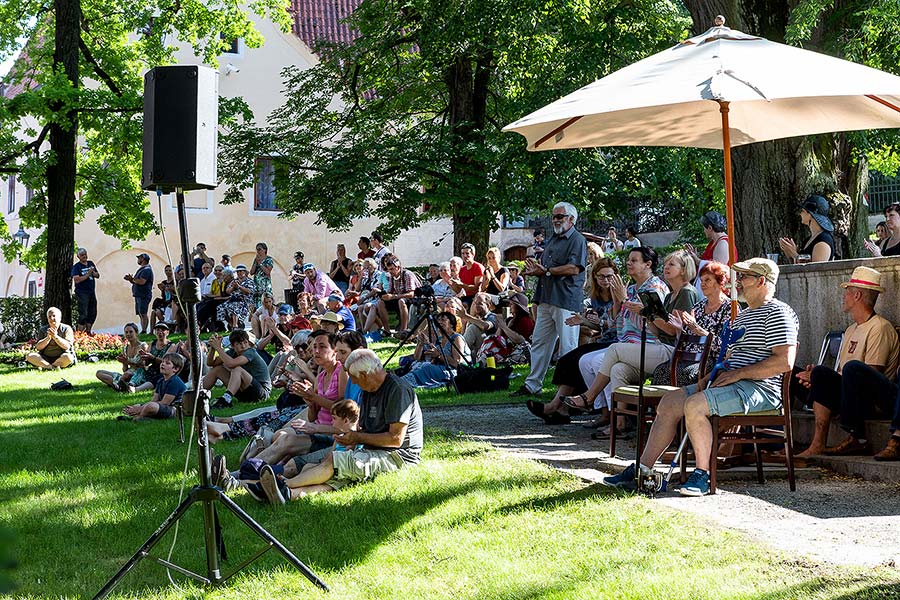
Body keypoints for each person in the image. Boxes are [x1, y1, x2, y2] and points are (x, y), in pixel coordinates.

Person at [602, 257, 799, 497]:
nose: (738, 283)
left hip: (760, 390)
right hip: (732, 382)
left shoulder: (779, 312)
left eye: (744, 278)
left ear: (761, 281)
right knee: (670, 401)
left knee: (694, 405)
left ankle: (703, 475)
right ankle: (642, 471)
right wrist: (707, 379)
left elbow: (784, 362)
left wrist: (738, 374)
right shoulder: (745, 316)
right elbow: (730, 357)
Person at [254, 348, 423, 503]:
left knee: (336, 462)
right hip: (374, 450)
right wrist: (352, 441)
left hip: (398, 456)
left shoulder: (397, 390)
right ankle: (287, 495)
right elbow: (363, 429)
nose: (354, 384)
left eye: (355, 378)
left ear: (364, 374)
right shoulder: (369, 390)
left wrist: (356, 438)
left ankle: (283, 485)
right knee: (325, 470)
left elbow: (395, 439)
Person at [795, 267, 900, 458]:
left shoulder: (880, 327)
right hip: (850, 394)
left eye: (847, 292)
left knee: (850, 369)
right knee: (798, 373)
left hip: (874, 400)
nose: (843, 297)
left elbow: (869, 375)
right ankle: (808, 442)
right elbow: (843, 374)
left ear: (858, 295)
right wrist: (816, 378)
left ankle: (856, 437)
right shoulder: (851, 329)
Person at [557, 247, 672, 417]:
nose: (628, 263)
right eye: (628, 259)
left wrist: (624, 300)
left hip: (650, 345)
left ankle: (589, 398)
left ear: (648, 264)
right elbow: (614, 324)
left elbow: (651, 325)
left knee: (601, 359)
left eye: (634, 260)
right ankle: (613, 419)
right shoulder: (631, 288)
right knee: (591, 363)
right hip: (628, 346)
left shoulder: (654, 288)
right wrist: (618, 304)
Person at [527, 258, 620, 425]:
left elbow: (616, 325)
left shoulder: (619, 296)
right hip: (604, 340)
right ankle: (561, 408)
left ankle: (556, 407)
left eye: (609, 276)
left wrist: (594, 323)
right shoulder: (595, 298)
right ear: (595, 277)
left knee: (577, 359)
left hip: (616, 342)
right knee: (567, 359)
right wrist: (584, 321)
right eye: (601, 277)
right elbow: (599, 327)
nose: (606, 280)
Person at [513, 201, 587, 397]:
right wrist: (535, 271)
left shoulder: (577, 240)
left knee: (568, 346)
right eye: (554, 216)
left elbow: (574, 268)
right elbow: (545, 271)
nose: (555, 219)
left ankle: (567, 389)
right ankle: (532, 385)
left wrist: (545, 271)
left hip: (566, 299)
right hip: (547, 297)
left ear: (571, 219)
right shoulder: (553, 239)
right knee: (539, 342)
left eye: (560, 216)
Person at [651, 261, 733, 387]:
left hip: (711, 360)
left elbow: (725, 346)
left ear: (720, 281)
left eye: (708, 280)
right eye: (701, 280)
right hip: (688, 358)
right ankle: (661, 406)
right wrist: (680, 329)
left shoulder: (729, 308)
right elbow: (687, 340)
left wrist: (698, 329)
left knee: (685, 374)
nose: (703, 284)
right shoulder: (699, 306)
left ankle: (681, 404)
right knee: (660, 371)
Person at [206, 329, 272, 408]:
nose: (243, 346)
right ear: (232, 346)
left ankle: (226, 399)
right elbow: (211, 363)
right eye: (239, 344)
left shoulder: (251, 352)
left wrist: (218, 348)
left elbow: (231, 364)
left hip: (261, 393)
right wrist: (213, 348)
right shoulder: (232, 352)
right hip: (244, 393)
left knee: (237, 369)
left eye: (245, 342)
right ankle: (198, 395)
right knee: (217, 369)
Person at [121, 353, 186, 421]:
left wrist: (140, 409)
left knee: (151, 406)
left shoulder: (174, 381)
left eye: (167, 363)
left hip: (174, 410)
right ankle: (144, 418)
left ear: (175, 369)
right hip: (162, 407)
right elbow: (154, 400)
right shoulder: (161, 381)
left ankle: (138, 418)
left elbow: (165, 403)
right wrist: (139, 407)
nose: (163, 364)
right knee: (137, 405)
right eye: (162, 362)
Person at [779, 194, 835, 263]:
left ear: (810, 215)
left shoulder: (823, 240)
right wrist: (789, 252)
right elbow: (798, 268)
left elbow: (816, 270)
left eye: (802, 211)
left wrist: (794, 253)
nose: (800, 214)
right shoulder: (808, 240)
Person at [96, 323, 147, 391]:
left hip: (139, 373)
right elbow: (124, 369)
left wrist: (128, 362)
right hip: (127, 374)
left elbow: (144, 365)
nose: (128, 334)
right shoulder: (125, 348)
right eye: (126, 332)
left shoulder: (143, 346)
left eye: (131, 332)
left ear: (136, 333)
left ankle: (118, 384)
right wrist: (123, 362)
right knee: (99, 373)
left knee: (127, 374)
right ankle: (120, 384)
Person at [376, 256, 420, 336]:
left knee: (401, 301)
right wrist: (385, 296)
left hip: (414, 300)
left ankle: (403, 331)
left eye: (392, 269)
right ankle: (387, 330)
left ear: (398, 267)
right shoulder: (392, 277)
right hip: (398, 298)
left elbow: (411, 294)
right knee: (380, 302)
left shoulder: (407, 274)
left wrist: (393, 296)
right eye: (389, 269)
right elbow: (390, 291)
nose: (390, 272)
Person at [216, 264, 256, 330]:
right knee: (220, 307)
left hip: (245, 301)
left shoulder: (249, 281)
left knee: (235, 306)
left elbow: (249, 291)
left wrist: (239, 287)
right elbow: (227, 291)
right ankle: (231, 324)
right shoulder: (234, 281)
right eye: (238, 272)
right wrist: (233, 288)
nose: (239, 273)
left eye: (241, 271)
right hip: (233, 300)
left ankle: (235, 325)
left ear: (245, 272)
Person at [71, 248, 99, 333]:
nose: (84, 256)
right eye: (82, 255)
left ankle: (88, 331)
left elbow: (97, 275)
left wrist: (93, 273)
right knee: (83, 313)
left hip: (91, 291)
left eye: (85, 254)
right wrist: (88, 274)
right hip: (82, 292)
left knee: (93, 312)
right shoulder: (77, 267)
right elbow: (76, 279)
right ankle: (80, 333)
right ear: (78, 256)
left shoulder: (90, 263)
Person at [124, 252, 154, 333]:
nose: (138, 260)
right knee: (141, 314)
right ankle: (143, 329)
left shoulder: (146, 270)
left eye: (139, 258)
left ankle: (144, 330)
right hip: (138, 295)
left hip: (143, 295)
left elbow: (142, 281)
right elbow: (136, 281)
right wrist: (131, 279)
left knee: (143, 313)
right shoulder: (142, 269)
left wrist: (132, 279)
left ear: (143, 259)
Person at [250, 242, 275, 308]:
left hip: (265, 285)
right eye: (257, 250)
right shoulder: (256, 260)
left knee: (266, 301)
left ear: (265, 250)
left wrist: (260, 264)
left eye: (259, 249)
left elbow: (267, 272)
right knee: (257, 304)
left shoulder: (269, 259)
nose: (258, 251)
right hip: (257, 284)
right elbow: (251, 272)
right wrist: (256, 263)